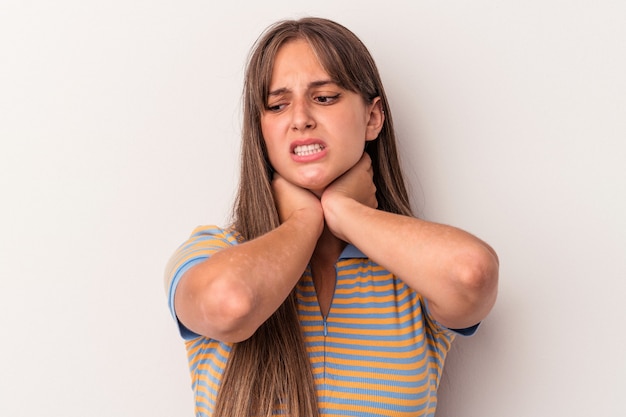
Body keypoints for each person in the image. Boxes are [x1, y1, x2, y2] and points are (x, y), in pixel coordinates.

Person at [164, 16, 499, 417]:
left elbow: (472, 275)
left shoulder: (412, 272)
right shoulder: (216, 251)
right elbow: (231, 303)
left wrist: (343, 211)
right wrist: (304, 221)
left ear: (373, 118)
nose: (300, 118)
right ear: (261, 129)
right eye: (277, 104)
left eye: (324, 98)